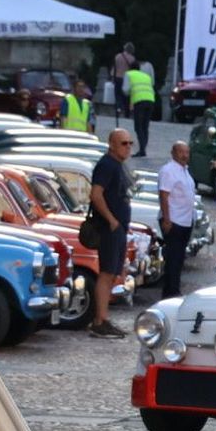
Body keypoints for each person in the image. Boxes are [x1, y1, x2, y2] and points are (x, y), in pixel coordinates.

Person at [87, 130, 134, 338]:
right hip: (109, 228)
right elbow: (96, 195)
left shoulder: (118, 166)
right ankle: (99, 321)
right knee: (106, 273)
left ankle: (103, 318)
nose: (128, 147)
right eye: (124, 143)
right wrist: (112, 220)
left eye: (130, 143)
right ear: (112, 144)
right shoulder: (106, 165)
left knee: (112, 273)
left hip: (119, 227)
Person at [155, 140, 196, 299]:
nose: (185, 155)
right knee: (173, 258)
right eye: (181, 152)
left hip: (185, 220)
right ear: (173, 152)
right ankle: (170, 291)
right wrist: (167, 219)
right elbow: (164, 195)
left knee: (179, 258)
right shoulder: (169, 170)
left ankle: (174, 288)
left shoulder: (184, 170)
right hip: (174, 220)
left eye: (187, 152)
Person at [124, 62, 157, 156]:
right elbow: (152, 85)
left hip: (139, 101)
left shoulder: (129, 74)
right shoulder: (146, 76)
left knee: (138, 126)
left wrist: (129, 94)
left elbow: (125, 90)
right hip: (150, 100)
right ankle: (143, 148)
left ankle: (142, 150)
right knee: (145, 126)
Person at [112, 42, 137, 118]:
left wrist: (113, 77)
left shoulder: (118, 56)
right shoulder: (132, 59)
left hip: (117, 77)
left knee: (117, 95)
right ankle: (127, 113)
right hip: (127, 79)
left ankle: (118, 109)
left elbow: (114, 68)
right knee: (126, 97)